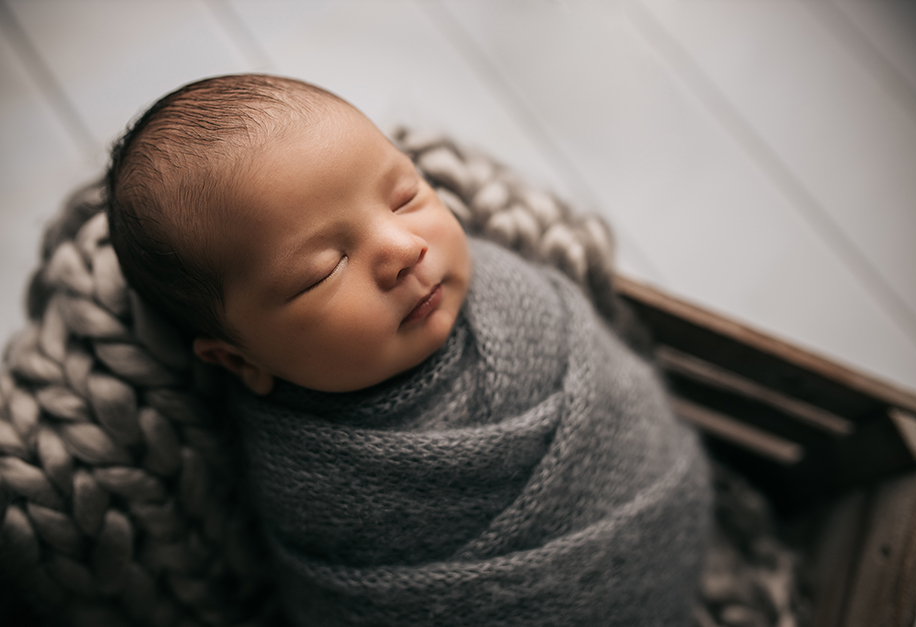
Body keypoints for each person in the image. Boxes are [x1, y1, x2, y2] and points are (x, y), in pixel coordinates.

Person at [107, 74, 710, 626]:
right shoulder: (317, 484)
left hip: (671, 524)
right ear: (242, 361)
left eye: (405, 197)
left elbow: (624, 391)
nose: (404, 248)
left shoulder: (511, 287)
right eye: (324, 270)